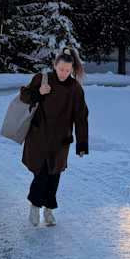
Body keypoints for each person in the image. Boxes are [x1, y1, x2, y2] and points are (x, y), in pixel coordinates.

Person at [19, 45, 89, 227]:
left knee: (54, 176)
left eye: (67, 70)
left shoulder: (75, 89)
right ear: (54, 66)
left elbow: (81, 117)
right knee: (41, 174)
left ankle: (49, 210)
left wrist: (82, 144)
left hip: (60, 142)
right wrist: (38, 92)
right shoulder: (43, 80)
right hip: (39, 137)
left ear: (72, 70)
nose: (63, 73)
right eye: (61, 69)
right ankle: (35, 207)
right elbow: (24, 96)